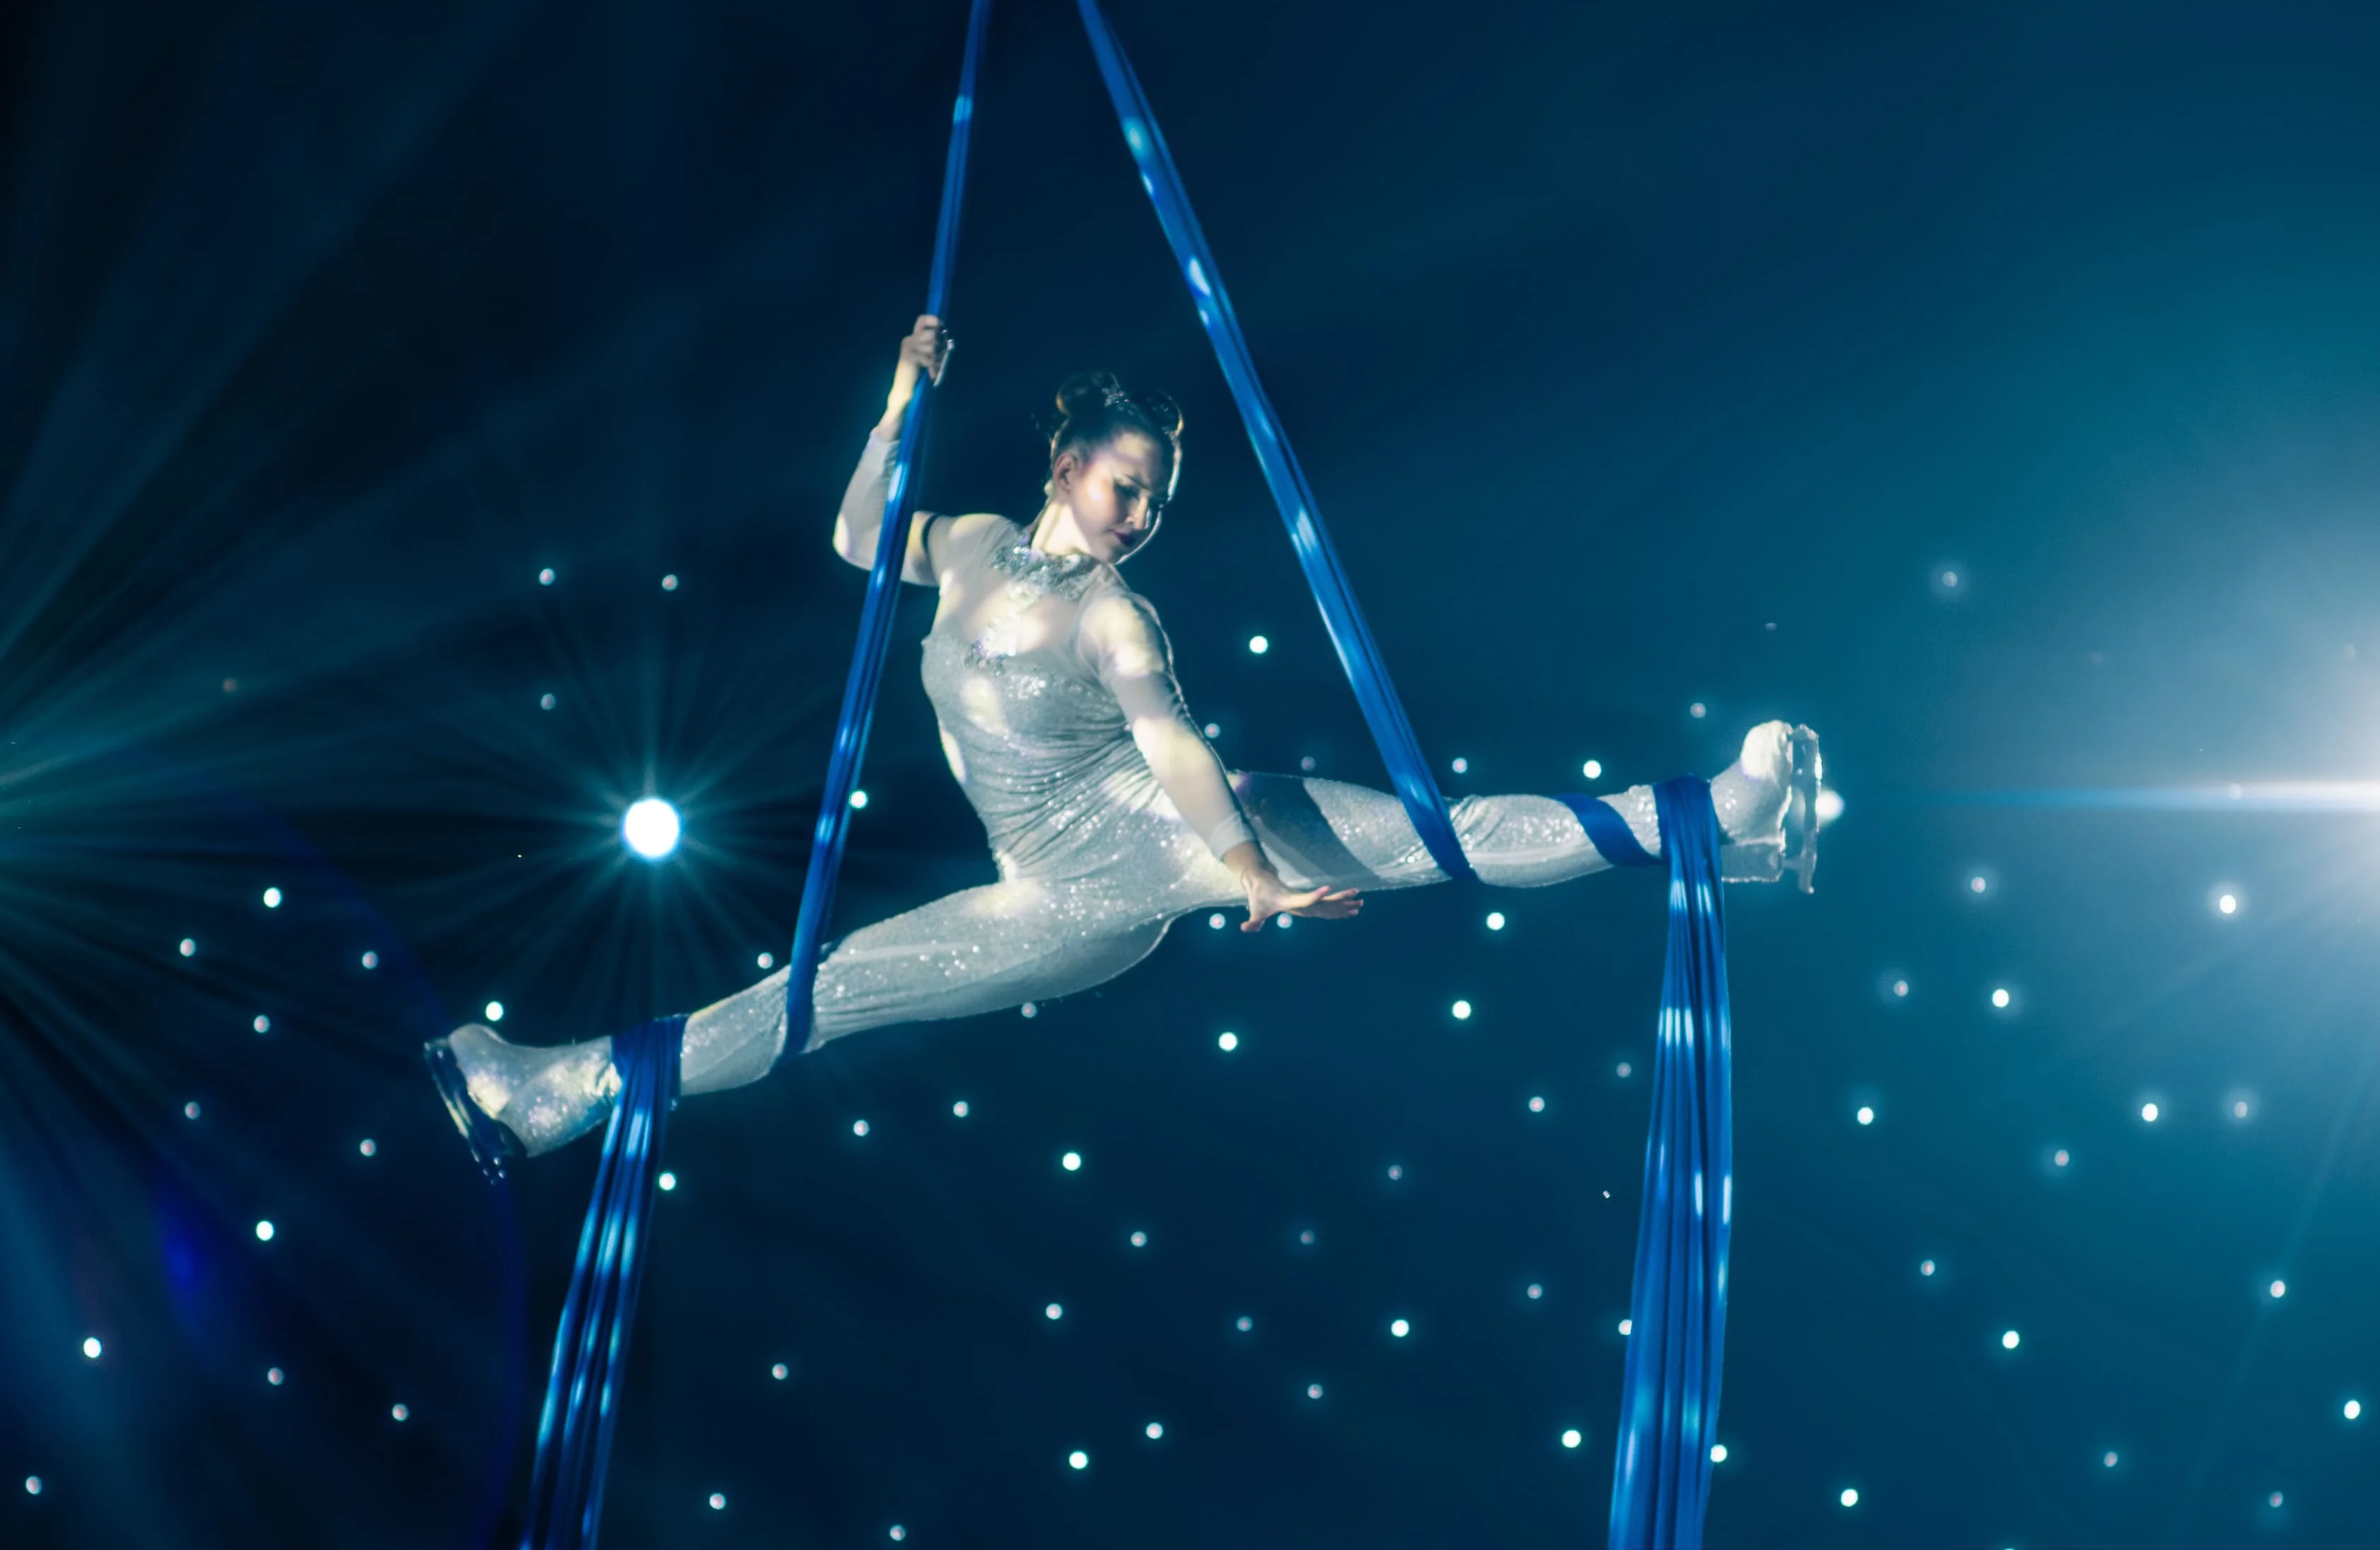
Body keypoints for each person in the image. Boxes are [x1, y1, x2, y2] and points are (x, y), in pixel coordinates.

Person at [427, 316, 1820, 1161]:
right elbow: (857, 536)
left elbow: (1174, 749)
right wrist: (900, 405)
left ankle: (1714, 819)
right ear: (1063, 466)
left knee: (1431, 836)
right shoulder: (967, 542)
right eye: (1123, 482)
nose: (1137, 513)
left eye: (1153, 499)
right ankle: (555, 1095)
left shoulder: (1116, 615)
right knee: (818, 994)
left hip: (1168, 840)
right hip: (1059, 895)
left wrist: (1249, 871)